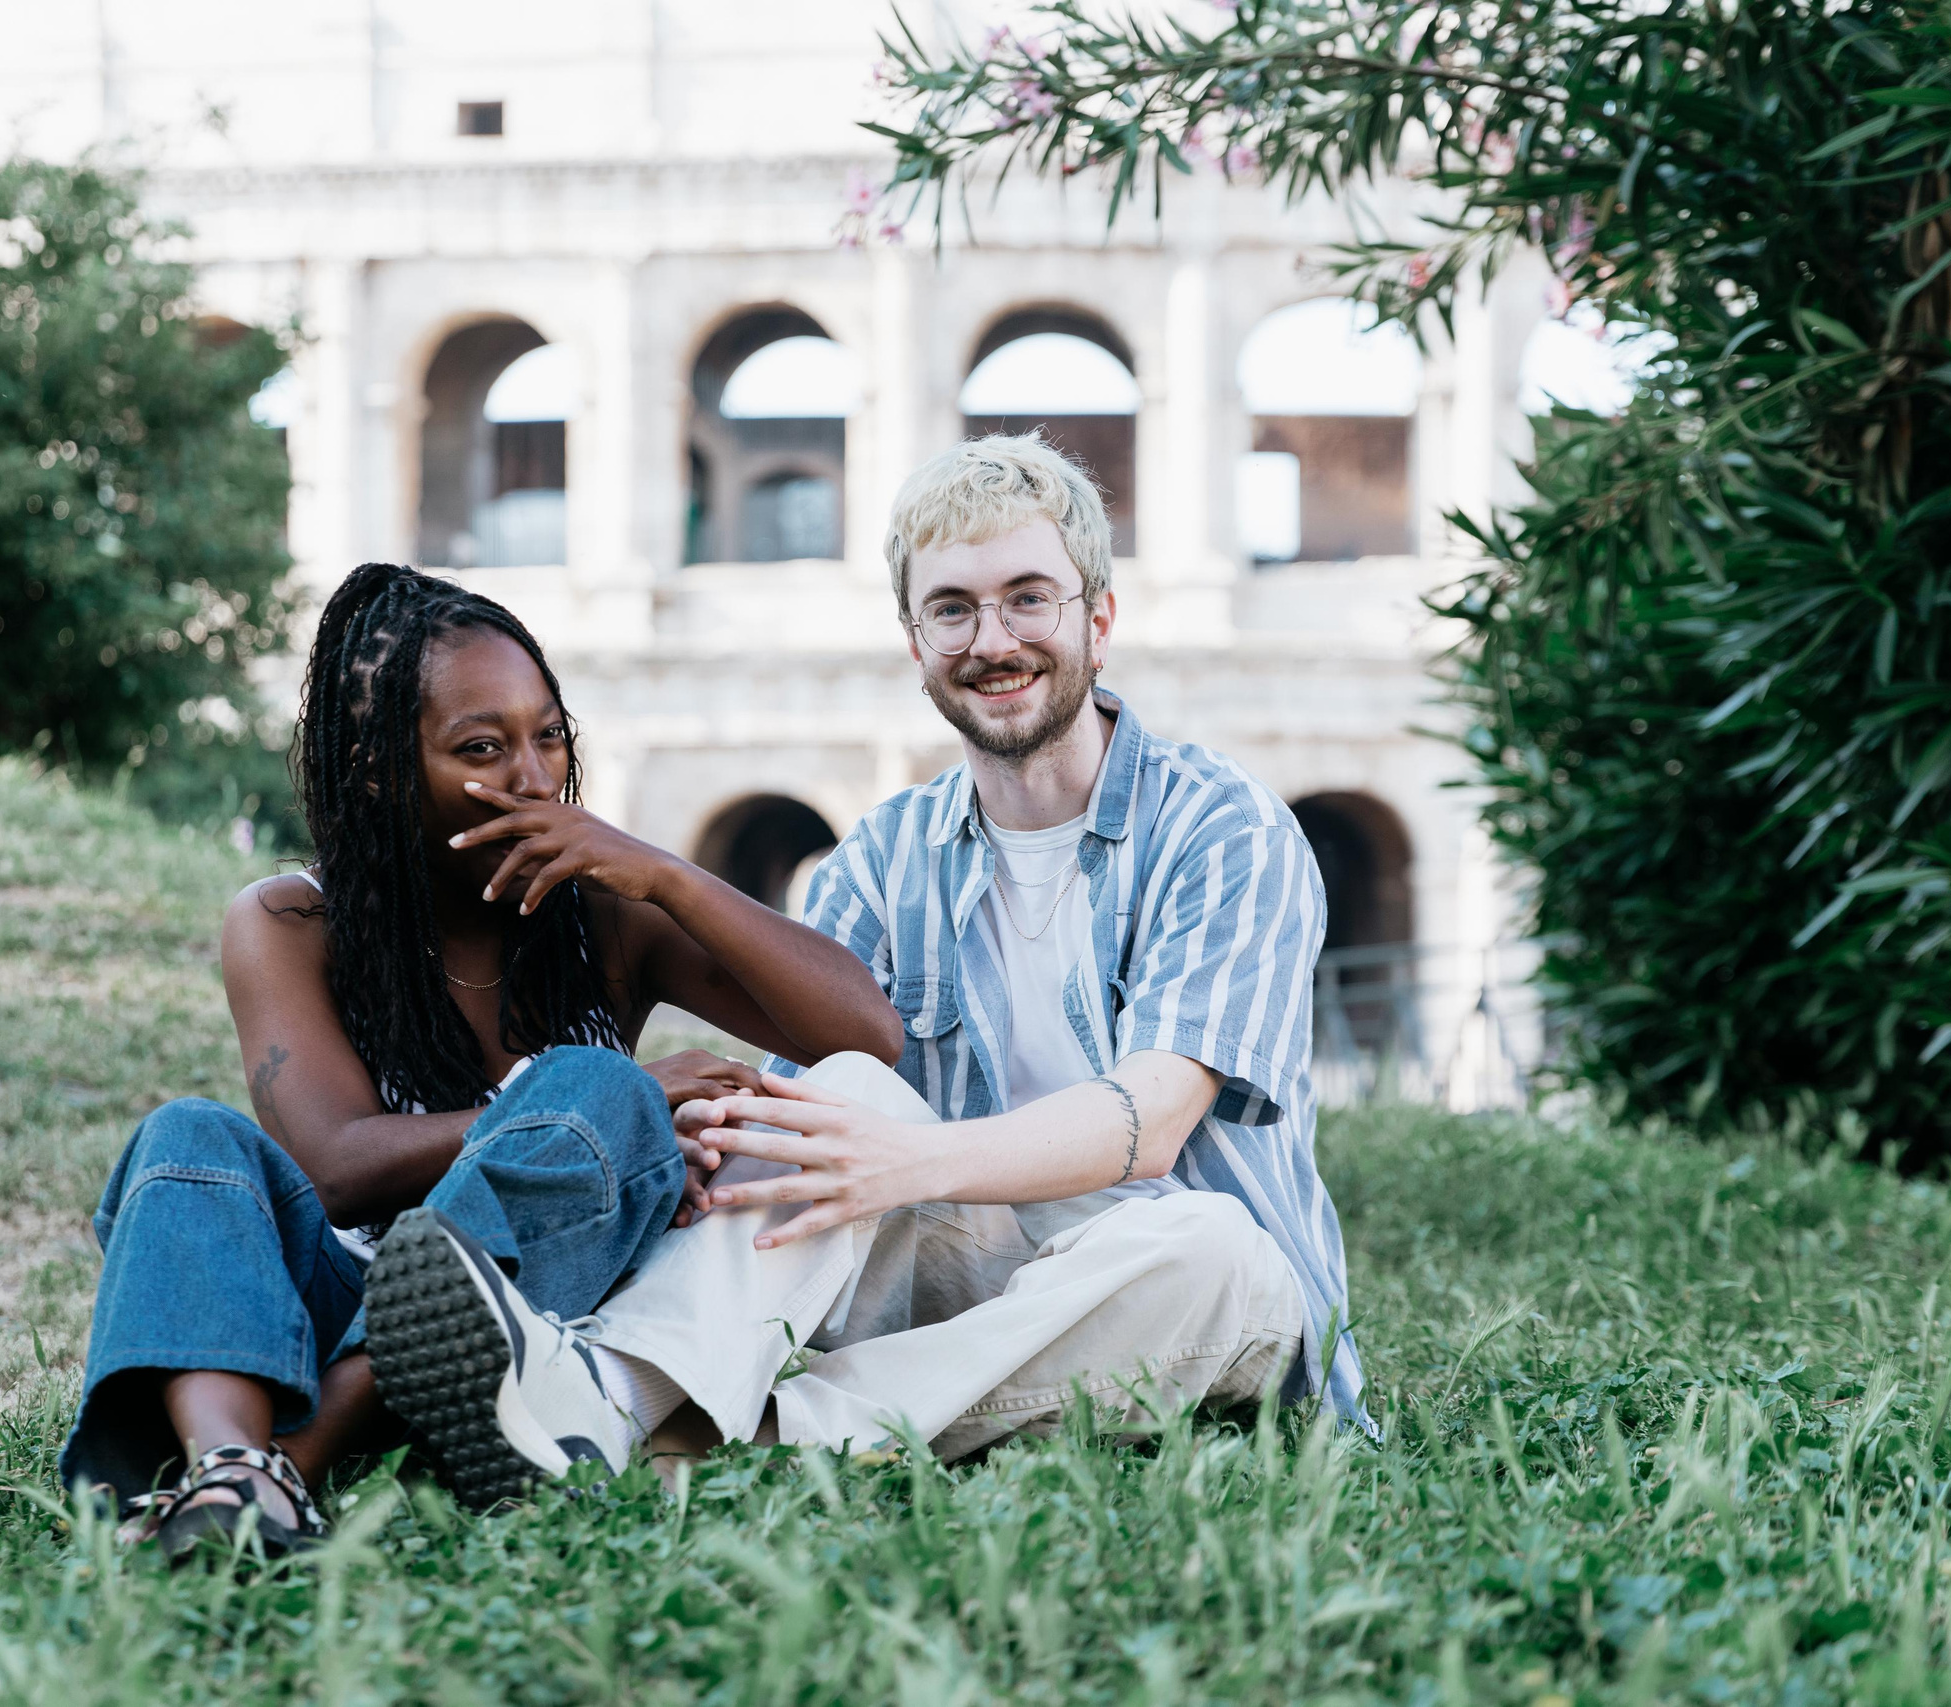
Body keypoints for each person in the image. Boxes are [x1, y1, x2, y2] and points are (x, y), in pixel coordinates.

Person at [361, 435, 1369, 1494]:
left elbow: (1152, 1123)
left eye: (1030, 598)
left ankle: (707, 1442)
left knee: (1211, 1244)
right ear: (912, 638)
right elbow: (815, 1121)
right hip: (970, 1282)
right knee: (832, 1089)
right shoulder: (885, 855)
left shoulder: (1221, 826)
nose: (993, 639)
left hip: (1186, 1294)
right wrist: (725, 1140)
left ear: (1097, 621)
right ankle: (606, 1390)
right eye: (953, 608)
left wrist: (910, 1163)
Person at [58, 563, 903, 1555]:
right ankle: (233, 1467)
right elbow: (338, 1163)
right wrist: (583, 1099)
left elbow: (865, 1038)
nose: (534, 777)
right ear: (379, 766)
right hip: (338, 1291)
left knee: (590, 1085)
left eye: (548, 735)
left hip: (526, 1327)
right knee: (186, 1137)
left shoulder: (607, 915)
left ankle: (294, 1456)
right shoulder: (290, 921)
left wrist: (668, 875)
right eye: (480, 748)